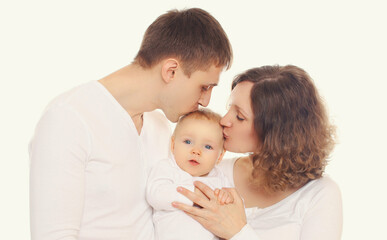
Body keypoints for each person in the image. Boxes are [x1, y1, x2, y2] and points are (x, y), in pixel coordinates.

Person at [29, 8, 232, 240]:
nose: (205, 101)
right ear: (171, 70)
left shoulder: (160, 126)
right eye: (204, 87)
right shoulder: (68, 118)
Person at [172, 65, 343, 239]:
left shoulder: (319, 195)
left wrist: (238, 232)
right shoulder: (210, 173)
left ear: (275, 132)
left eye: (239, 116)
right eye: (229, 108)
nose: (224, 120)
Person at [147, 109, 233, 240]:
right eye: (188, 142)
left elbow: (237, 210)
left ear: (220, 156)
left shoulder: (220, 177)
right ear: (173, 144)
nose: (196, 151)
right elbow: (156, 195)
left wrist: (228, 199)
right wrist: (195, 195)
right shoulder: (168, 168)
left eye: (208, 147)